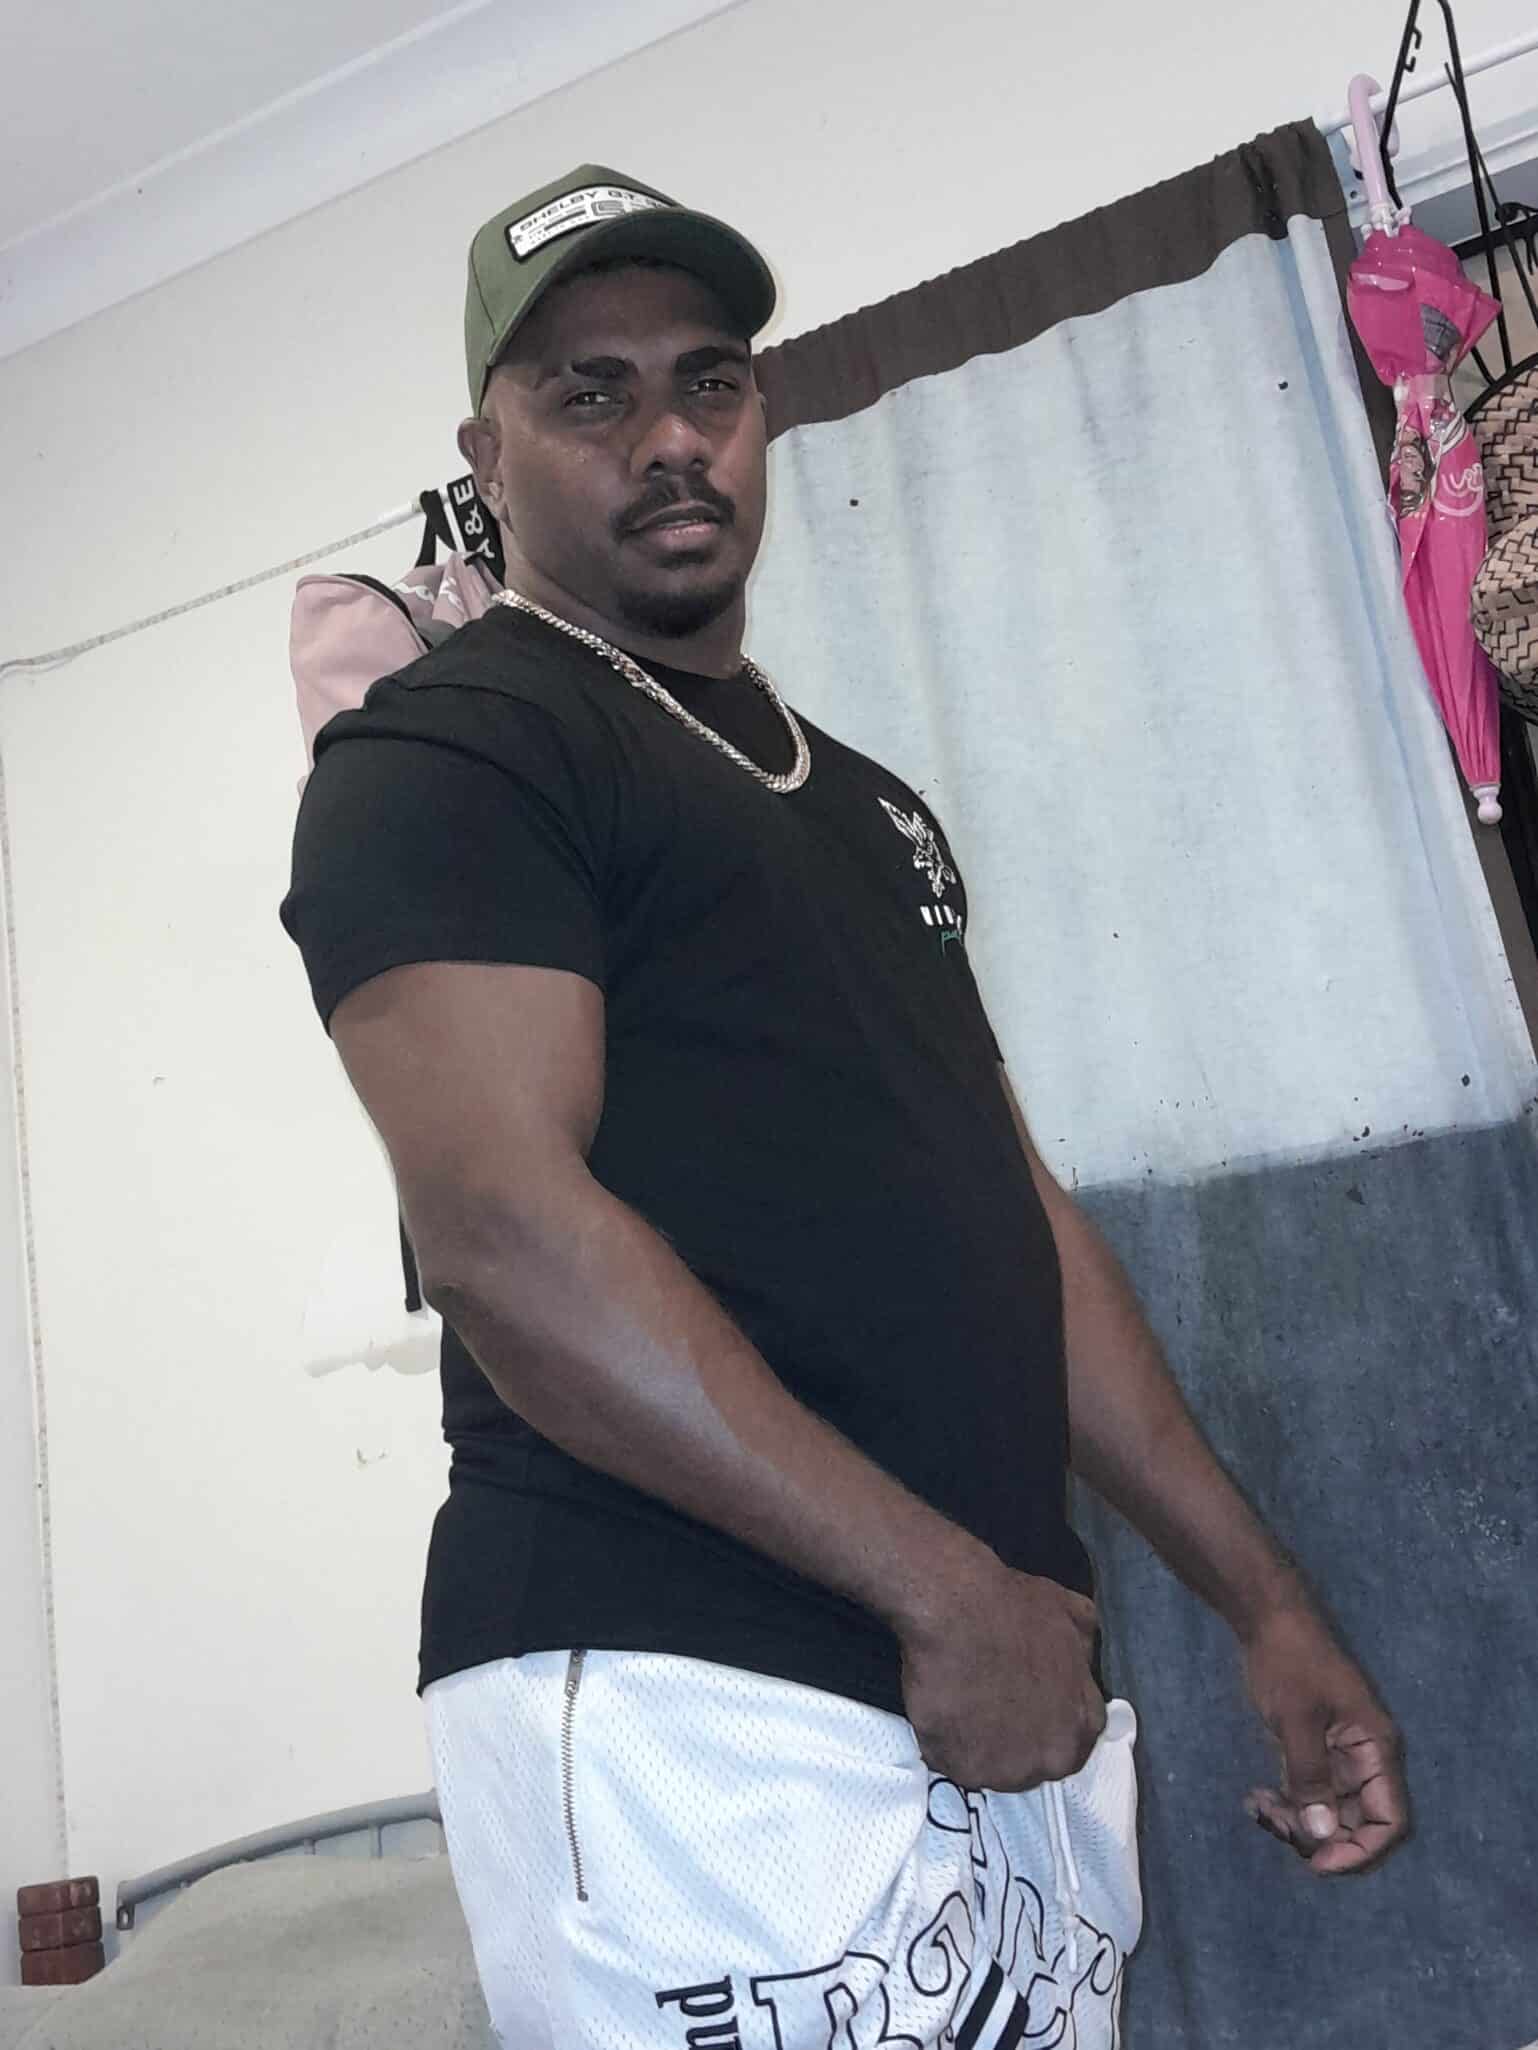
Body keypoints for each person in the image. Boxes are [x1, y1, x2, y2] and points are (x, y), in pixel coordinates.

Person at [281, 163, 1409, 2049]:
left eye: (707, 382)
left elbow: (1018, 1224)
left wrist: (1262, 1603)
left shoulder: (869, 805)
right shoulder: (456, 745)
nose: (667, 437)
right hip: (692, 1682)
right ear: (488, 449)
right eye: (588, 392)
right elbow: (498, 1233)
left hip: (997, 1680)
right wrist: (941, 1591)